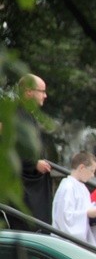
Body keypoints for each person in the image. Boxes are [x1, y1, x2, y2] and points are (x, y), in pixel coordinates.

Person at [9, 74, 53, 229]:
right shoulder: (14, 114)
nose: (45, 96)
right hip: (22, 187)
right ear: (28, 92)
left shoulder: (26, 115)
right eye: (42, 91)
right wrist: (33, 163)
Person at [52, 151, 96, 242]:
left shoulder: (83, 188)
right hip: (64, 242)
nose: (93, 175)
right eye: (92, 171)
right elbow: (64, 217)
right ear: (81, 167)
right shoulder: (67, 186)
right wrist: (87, 213)